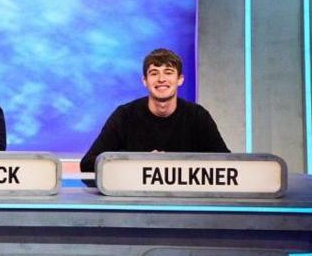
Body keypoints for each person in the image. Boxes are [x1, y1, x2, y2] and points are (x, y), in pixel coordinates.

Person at [79, 48, 228, 174]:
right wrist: (142, 164)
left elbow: (227, 165)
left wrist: (174, 166)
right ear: (145, 80)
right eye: (154, 73)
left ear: (180, 79)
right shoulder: (125, 115)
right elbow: (88, 164)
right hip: (134, 198)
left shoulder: (197, 116)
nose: (161, 79)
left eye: (168, 72)